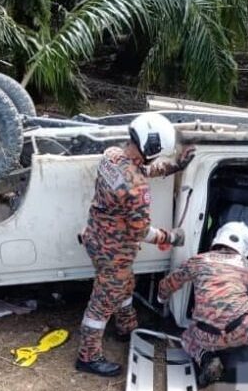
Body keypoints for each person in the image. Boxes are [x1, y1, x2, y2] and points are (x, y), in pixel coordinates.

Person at [76, 112, 195, 377]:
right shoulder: (137, 190)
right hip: (114, 251)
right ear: (151, 149)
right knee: (102, 303)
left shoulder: (112, 156)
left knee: (125, 284)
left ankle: (127, 328)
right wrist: (171, 237)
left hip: (96, 236)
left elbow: (137, 170)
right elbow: (141, 231)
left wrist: (174, 165)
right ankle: (88, 356)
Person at [156, 222, 248, 382]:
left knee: (187, 336)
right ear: (245, 249)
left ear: (217, 240)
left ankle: (206, 358)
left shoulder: (197, 261)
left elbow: (168, 284)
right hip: (242, 330)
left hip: (206, 335)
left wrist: (162, 299)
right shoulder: (247, 267)